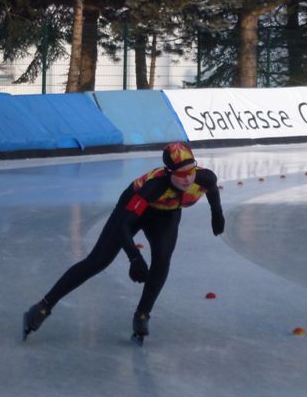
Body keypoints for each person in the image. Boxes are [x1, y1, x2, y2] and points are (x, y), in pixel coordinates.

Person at [22, 142, 225, 345]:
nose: (188, 178)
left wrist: (217, 214)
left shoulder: (205, 177)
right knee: (98, 261)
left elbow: (212, 191)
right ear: (169, 172)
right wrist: (134, 257)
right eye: (181, 174)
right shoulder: (154, 186)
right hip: (132, 210)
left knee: (162, 259)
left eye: (190, 171)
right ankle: (42, 307)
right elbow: (124, 225)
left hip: (166, 214)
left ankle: (142, 315)